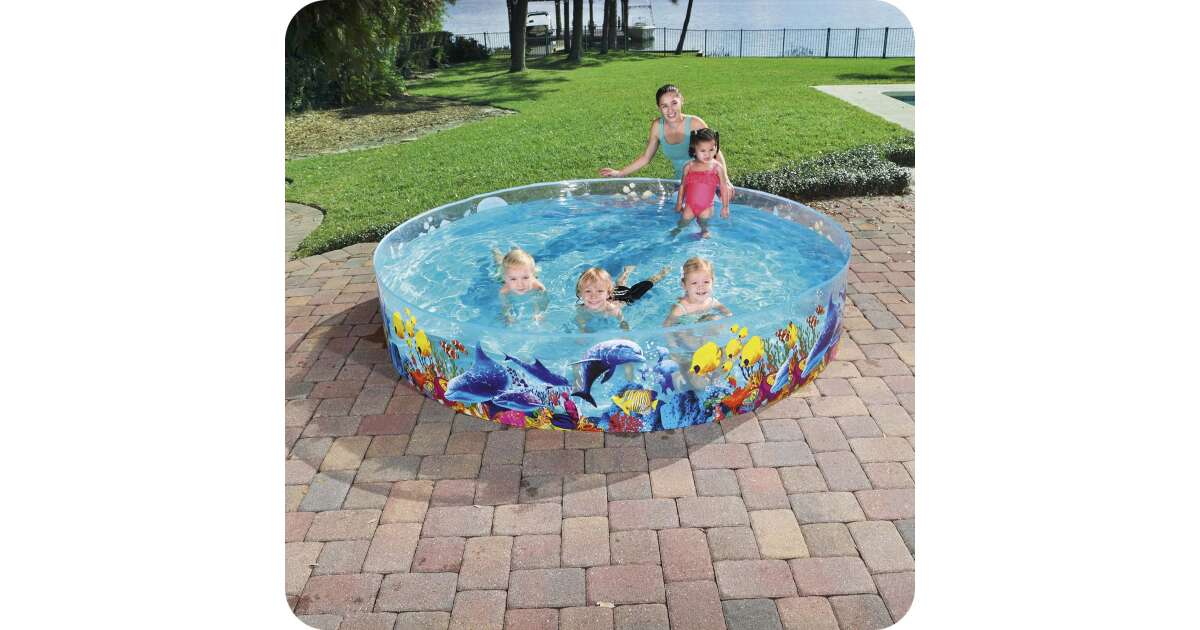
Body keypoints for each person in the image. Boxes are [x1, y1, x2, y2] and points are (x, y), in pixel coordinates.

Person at [599, 84, 734, 209]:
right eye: (664, 106)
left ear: (681, 101)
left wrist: (726, 181)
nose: (670, 110)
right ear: (659, 108)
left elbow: (716, 153)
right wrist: (620, 173)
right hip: (682, 182)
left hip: (707, 180)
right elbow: (646, 157)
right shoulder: (658, 127)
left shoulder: (695, 124)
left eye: (674, 103)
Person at [575, 264, 671, 332]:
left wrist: (626, 334)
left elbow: (623, 322)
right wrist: (582, 331)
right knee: (620, 285)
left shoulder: (612, 309)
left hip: (627, 297)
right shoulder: (581, 309)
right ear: (580, 293)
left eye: (599, 291)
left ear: (608, 294)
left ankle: (661, 274)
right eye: (588, 291)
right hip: (615, 294)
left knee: (646, 285)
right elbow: (581, 321)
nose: (593, 296)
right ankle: (626, 272)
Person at [671, 128, 728, 239]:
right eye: (703, 151)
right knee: (682, 223)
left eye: (711, 149)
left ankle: (704, 234)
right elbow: (682, 186)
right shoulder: (689, 166)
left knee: (703, 224)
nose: (708, 154)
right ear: (694, 149)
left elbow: (723, 187)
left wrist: (725, 207)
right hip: (690, 206)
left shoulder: (717, 167)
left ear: (716, 147)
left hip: (706, 207)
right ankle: (675, 233)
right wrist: (679, 204)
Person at [663, 257, 733, 327]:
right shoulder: (681, 308)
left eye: (706, 282)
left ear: (713, 282)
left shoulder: (710, 301)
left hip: (701, 323)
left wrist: (729, 316)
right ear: (684, 286)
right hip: (686, 327)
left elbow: (724, 310)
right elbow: (667, 326)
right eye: (694, 283)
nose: (701, 287)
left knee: (715, 319)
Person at [492, 247, 547, 324]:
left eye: (525, 277)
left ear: (533, 275)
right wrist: (507, 315)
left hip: (528, 271)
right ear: (506, 278)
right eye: (513, 279)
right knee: (499, 264)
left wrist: (538, 313)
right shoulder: (505, 289)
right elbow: (505, 305)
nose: (520, 284)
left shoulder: (537, 286)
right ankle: (496, 251)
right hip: (502, 275)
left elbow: (542, 300)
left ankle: (516, 250)